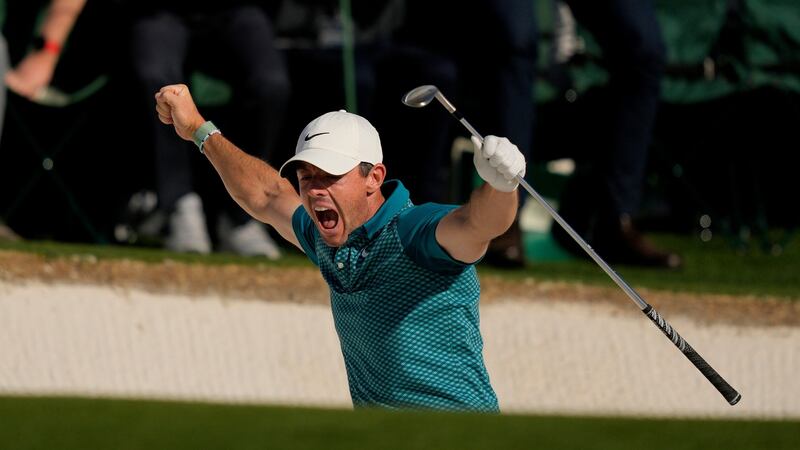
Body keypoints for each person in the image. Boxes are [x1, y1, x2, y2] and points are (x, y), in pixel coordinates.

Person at [155, 83, 526, 411]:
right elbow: (267, 194)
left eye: (331, 176)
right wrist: (198, 130)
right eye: (307, 176)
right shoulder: (326, 237)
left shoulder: (413, 232)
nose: (316, 189)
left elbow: (480, 225)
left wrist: (502, 186)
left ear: (374, 177)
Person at [126, 1, 289, 257]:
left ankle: (242, 215)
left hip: (233, 11)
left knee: (271, 85)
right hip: (161, 11)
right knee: (156, 76)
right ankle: (179, 205)